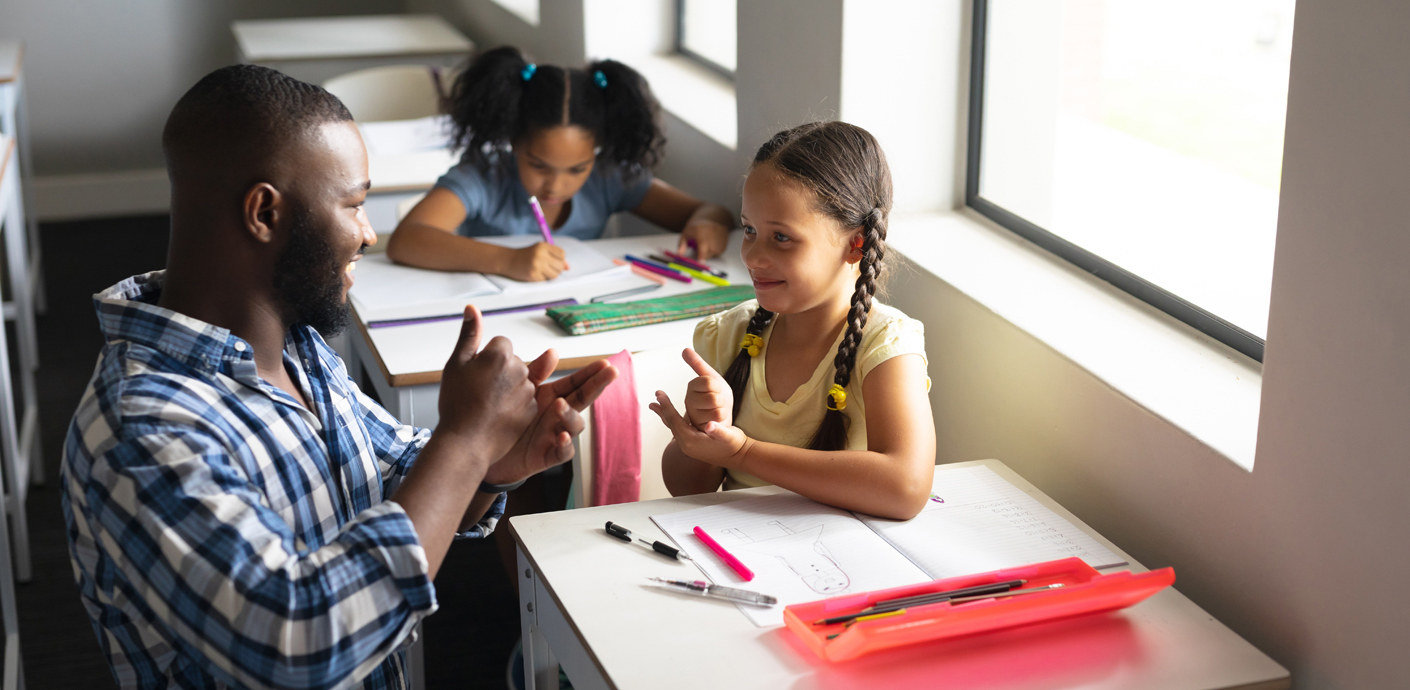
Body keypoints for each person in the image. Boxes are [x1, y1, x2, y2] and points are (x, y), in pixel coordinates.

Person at [60, 64, 616, 690]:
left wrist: (489, 460)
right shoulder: (140, 432)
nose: (369, 233)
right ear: (265, 212)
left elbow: (391, 472)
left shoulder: (295, 345)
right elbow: (305, 645)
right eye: (354, 204)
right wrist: (464, 441)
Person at [652, 122, 936, 521]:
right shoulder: (729, 335)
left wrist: (743, 452)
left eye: (781, 237)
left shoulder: (885, 346)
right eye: (749, 230)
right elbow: (686, 486)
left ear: (855, 245)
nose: (752, 256)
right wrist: (703, 434)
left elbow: (905, 488)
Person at [384, 46, 735, 281]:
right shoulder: (483, 175)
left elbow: (710, 212)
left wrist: (708, 224)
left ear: (596, 151)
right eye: (538, 165)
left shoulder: (609, 176)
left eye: (576, 169)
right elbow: (408, 240)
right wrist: (508, 260)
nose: (555, 186)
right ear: (515, 142)